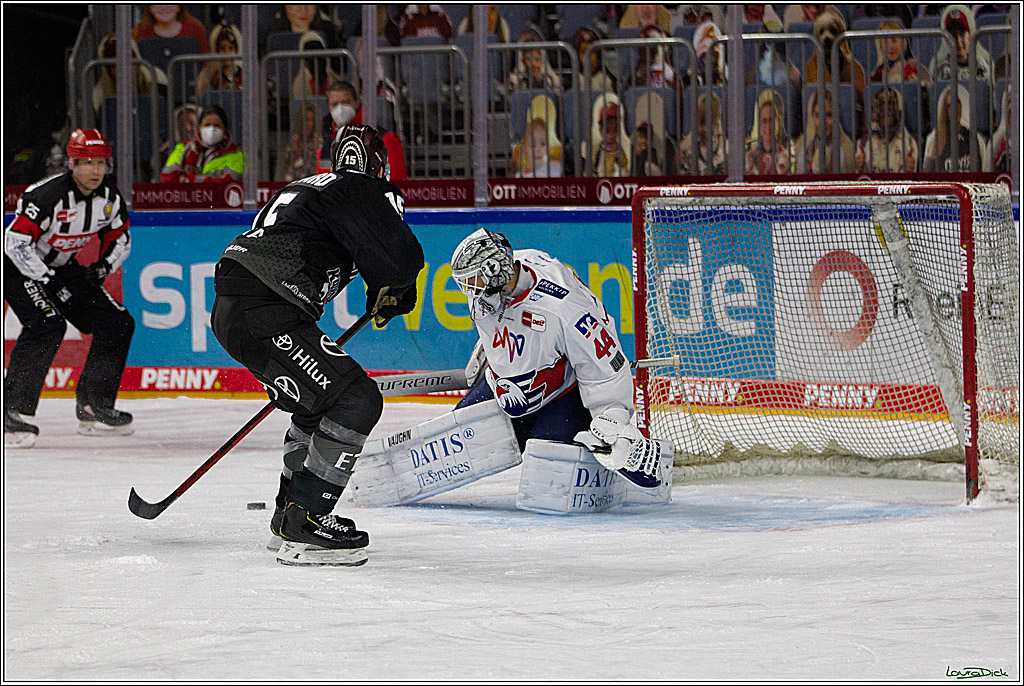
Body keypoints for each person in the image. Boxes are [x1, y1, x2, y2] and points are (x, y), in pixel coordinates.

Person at [210, 124, 424, 566]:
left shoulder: (306, 186)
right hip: (266, 308)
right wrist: (397, 289)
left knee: (315, 406)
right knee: (356, 399)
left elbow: (335, 239)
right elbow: (398, 259)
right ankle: (306, 521)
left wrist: (382, 290)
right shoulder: (364, 188)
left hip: (235, 309)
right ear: (379, 167)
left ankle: (289, 514)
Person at [450, 229, 661, 486]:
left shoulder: (564, 309)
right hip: (505, 389)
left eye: (473, 279)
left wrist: (612, 417)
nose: (469, 288)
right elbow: (504, 322)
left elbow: (605, 367)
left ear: (494, 270)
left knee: (548, 479)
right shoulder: (497, 284)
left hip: (564, 395)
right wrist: (487, 352)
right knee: (454, 444)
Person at [3, 129, 134, 448]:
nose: (95, 170)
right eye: (87, 162)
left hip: (62, 268)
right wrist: (44, 278)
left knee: (117, 322)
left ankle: (94, 405)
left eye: (101, 162)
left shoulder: (110, 198)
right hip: (18, 267)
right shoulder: (46, 196)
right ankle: (9, 412)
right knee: (47, 324)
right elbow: (15, 243)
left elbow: (120, 239)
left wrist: (103, 267)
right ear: (72, 163)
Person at [317, 80, 407, 181]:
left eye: (345, 102)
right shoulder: (327, 142)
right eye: (334, 104)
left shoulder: (385, 140)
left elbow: (396, 182)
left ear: (357, 103)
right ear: (329, 107)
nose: (340, 109)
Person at [161, 104, 244, 182]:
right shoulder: (182, 148)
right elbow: (167, 177)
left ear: (224, 129)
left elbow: (228, 183)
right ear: (199, 127)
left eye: (217, 125)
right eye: (207, 125)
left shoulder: (235, 155)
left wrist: (190, 179)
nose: (211, 129)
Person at [922, 84, 990, 172]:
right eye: (950, 105)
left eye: (957, 103)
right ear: (945, 110)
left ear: (961, 105)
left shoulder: (976, 139)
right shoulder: (933, 140)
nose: (955, 109)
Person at [856, 86, 918, 173]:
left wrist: (909, 173)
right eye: (881, 109)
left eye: (889, 110)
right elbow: (860, 178)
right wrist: (858, 170)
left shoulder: (909, 144)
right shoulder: (863, 143)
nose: (885, 115)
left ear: (898, 114)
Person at [793, 89, 854, 172]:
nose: (823, 122)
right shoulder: (801, 146)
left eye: (828, 115)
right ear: (811, 117)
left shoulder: (847, 149)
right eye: (818, 115)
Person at [929, 5, 992, 81]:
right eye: (953, 35)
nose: (958, 41)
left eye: (962, 34)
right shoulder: (939, 70)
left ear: (969, 36)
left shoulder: (983, 67)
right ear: (946, 39)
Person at [512, 97, 564, 178]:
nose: (538, 149)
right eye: (533, 145)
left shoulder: (555, 169)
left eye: (543, 144)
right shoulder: (519, 177)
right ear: (524, 149)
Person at [677, 92, 727, 174]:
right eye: (702, 123)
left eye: (710, 123)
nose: (705, 129)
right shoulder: (686, 149)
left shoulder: (725, 149)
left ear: (717, 121)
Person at [745, 89, 792, 174]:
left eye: (771, 120)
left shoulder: (786, 155)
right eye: (764, 121)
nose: (768, 126)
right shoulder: (750, 157)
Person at [508, 28, 563, 94]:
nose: (533, 64)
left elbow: (558, 95)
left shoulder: (551, 80)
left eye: (537, 59)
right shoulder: (516, 81)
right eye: (529, 59)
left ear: (542, 61)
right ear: (523, 61)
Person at [276, 100, 322, 181]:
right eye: (305, 119)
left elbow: (317, 167)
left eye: (311, 120)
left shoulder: (318, 141)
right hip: (292, 180)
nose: (308, 123)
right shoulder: (294, 140)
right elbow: (283, 165)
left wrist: (316, 151)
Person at [132, 4, 209, 52]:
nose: (164, 7)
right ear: (149, 8)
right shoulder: (141, 34)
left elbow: (206, 66)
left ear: (179, 6)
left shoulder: (195, 31)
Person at [196, 24, 243, 98]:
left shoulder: (243, 75)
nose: (227, 53)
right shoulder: (213, 77)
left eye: (230, 48)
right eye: (222, 48)